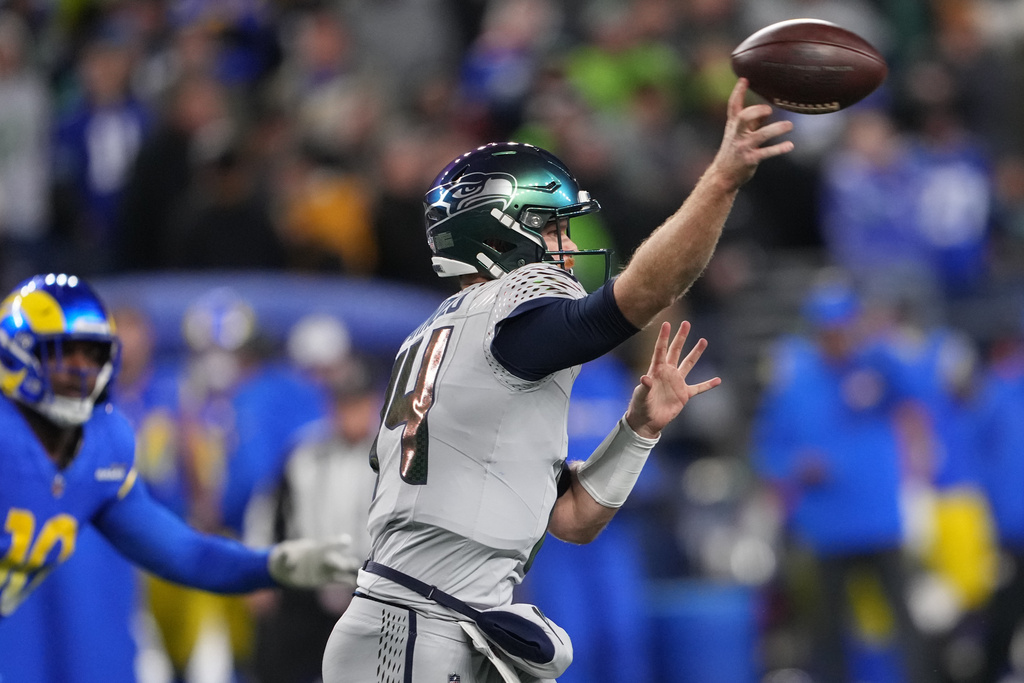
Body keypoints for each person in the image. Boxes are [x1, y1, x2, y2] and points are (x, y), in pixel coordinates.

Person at [321, 77, 793, 682]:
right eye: (552, 227)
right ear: (498, 231)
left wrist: (638, 429)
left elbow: (572, 521)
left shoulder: (454, 339)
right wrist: (721, 181)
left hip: (438, 620)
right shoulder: (505, 312)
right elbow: (644, 293)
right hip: (415, 626)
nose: (568, 246)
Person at [0, 273, 359, 656]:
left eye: (92, 353)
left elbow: (183, 554)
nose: (81, 368)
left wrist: (270, 564)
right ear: (17, 352)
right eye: (64, 352)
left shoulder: (102, 444)